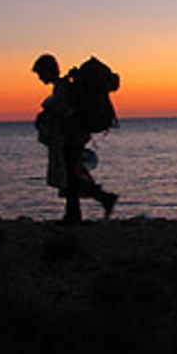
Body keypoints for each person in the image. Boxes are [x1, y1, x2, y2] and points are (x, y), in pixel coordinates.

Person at [32, 53, 118, 226]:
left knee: (70, 175)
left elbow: (67, 112)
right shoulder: (65, 85)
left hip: (72, 136)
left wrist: (49, 117)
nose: (40, 78)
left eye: (41, 73)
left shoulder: (62, 87)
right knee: (71, 174)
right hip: (75, 135)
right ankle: (77, 212)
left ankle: (98, 201)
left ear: (49, 70)